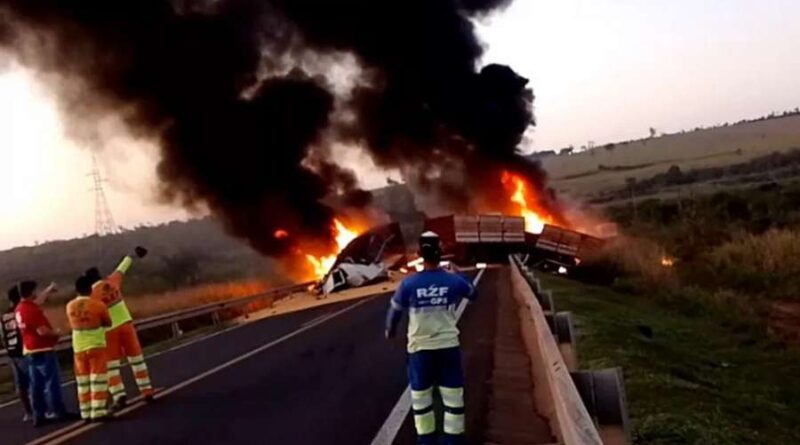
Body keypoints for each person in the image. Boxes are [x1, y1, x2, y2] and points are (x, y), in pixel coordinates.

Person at [385, 232, 476, 445]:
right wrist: (460, 274)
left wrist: (390, 331)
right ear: (441, 253)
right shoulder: (453, 280)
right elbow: (473, 293)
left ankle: (426, 441)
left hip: (419, 350)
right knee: (453, 399)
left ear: (419, 255)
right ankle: (453, 441)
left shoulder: (408, 284)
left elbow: (395, 311)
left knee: (421, 400)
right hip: (448, 348)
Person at [87, 246, 153, 409]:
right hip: (126, 325)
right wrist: (134, 254)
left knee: (111, 367)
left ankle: (119, 395)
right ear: (100, 275)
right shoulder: (112, 281)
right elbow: (124, 264)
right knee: (137, 360)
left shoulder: (91, 296)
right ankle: (147, 391)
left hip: (108, 331)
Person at [14, 280, 77, 426]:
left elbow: (37, 301)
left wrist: (48, 290)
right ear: (30, 293)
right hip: (43, 350)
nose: (36, 293)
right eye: (34, 291)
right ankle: (59, 412)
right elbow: (42, 331)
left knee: (36, 386)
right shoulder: (32, 310)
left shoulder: (20, 309)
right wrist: (56, 333)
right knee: (51, 384)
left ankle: (39, 415)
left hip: (29, 351)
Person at [67, 276, 112, 422]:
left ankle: (85, 412)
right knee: (98, 379)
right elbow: (107, 322)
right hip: (96, 344)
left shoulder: (69, 306)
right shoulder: (98, 305)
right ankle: (98, 411)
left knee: (83, 381)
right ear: (90, 289)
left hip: (78, 347)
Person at [2, 286, 33, 422]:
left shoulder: (4, 316)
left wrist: (8, 347)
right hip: (23, 350)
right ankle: (39, 410)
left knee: (20, 385)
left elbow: (2, 336)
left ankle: (28, 412)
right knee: (33, 382)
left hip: (11, 352)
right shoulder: (20, 311)